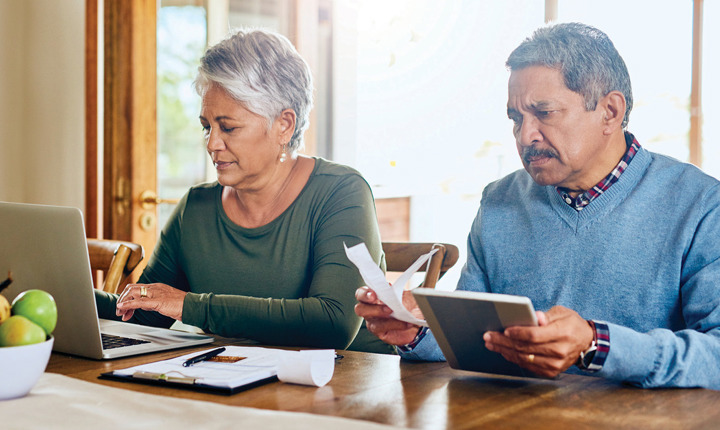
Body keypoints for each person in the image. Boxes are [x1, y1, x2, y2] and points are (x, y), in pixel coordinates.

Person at [355, 22, 720, 389]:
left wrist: (597, 344)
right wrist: (416, 328)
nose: (526, 135)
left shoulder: (701, 205)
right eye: (516, 118)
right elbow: (481, 340)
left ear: (610, 111)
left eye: (544, 113)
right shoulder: (499, 201)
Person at [95, 29, 390, 353]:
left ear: (284, 125)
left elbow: (332, 323)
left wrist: (192, 306)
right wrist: (61, 292)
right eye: (207, 126)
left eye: (228, 127)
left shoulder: (342, 193)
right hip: (236, 386)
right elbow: (141, 318)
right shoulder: (196, 208)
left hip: (342, 388)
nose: (212, 144)